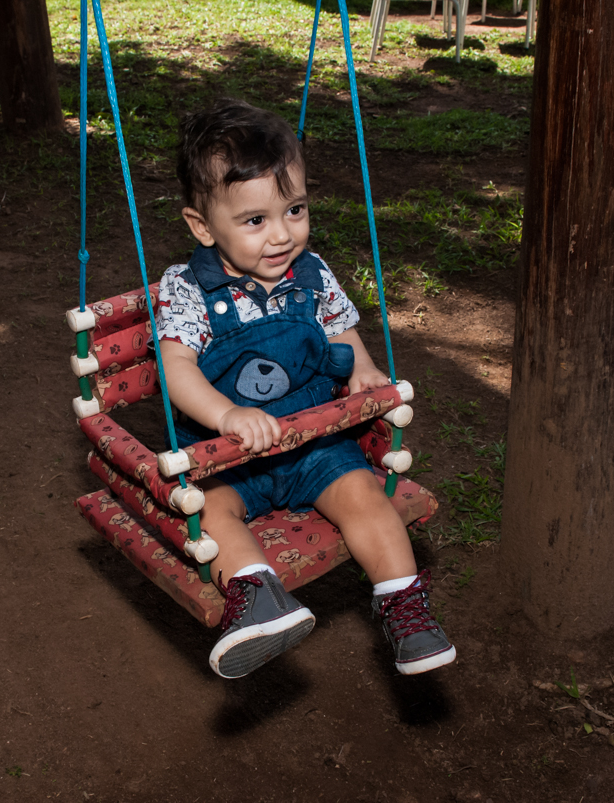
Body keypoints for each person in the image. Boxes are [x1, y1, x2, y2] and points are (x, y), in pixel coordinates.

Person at [156, 99, 455, 679]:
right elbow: (176, 368)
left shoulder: (311, 272)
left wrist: (363, 370)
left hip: (315, 441)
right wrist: (225, 415)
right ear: (201, 225)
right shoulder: (185, 288)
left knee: (367, 498)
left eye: (294, 210)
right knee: (210, 513)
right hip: (231, 458)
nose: (281, 235)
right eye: (255, 221)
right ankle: (257, 597)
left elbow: (342, 329)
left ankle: (404, 606)